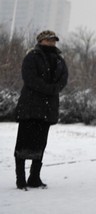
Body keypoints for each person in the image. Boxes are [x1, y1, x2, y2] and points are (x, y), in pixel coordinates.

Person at [14, 30, 68, 190]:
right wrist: (48, 89)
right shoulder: (32, 56)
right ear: (41, 41)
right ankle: (21, 178)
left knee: (40, 143)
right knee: (23, 143)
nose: (51, 42)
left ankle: (34, 177)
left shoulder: (59, 59)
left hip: (48, 108)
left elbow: (63, 79)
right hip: (30, 107)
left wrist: (54, 89)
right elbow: (29, 78)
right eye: (48, 40)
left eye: (53, 40)